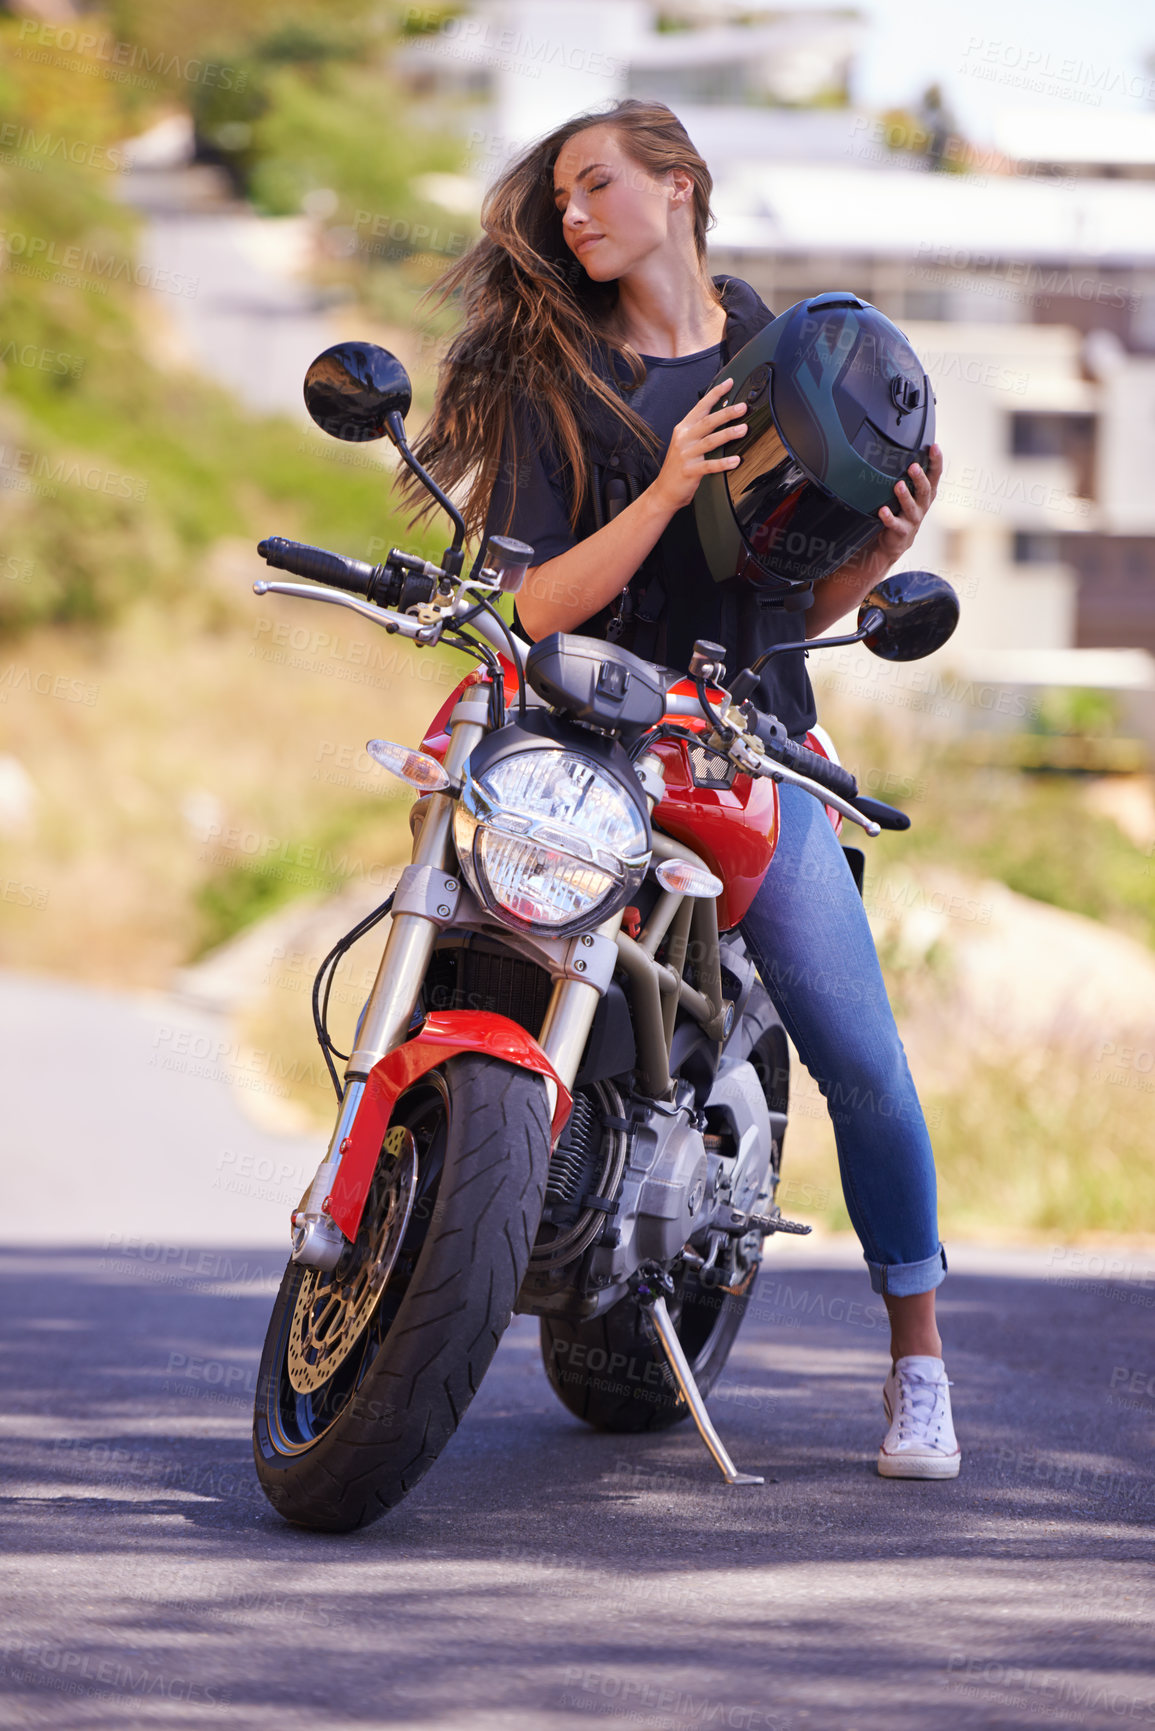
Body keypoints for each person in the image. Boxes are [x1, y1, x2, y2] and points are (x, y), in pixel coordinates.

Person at [405, 98, 959, 1479]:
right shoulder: (559, 377)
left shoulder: (781, 351)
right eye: (563, 199)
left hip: (735, 736)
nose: (575, 214)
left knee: (865, 1058)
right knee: (455, 941)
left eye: (598, 186)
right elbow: (533, 607)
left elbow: (775, 603)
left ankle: (919, 1366)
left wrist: (884, 546)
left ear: (681, 188)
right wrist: (658, 495)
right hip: (577, 726)